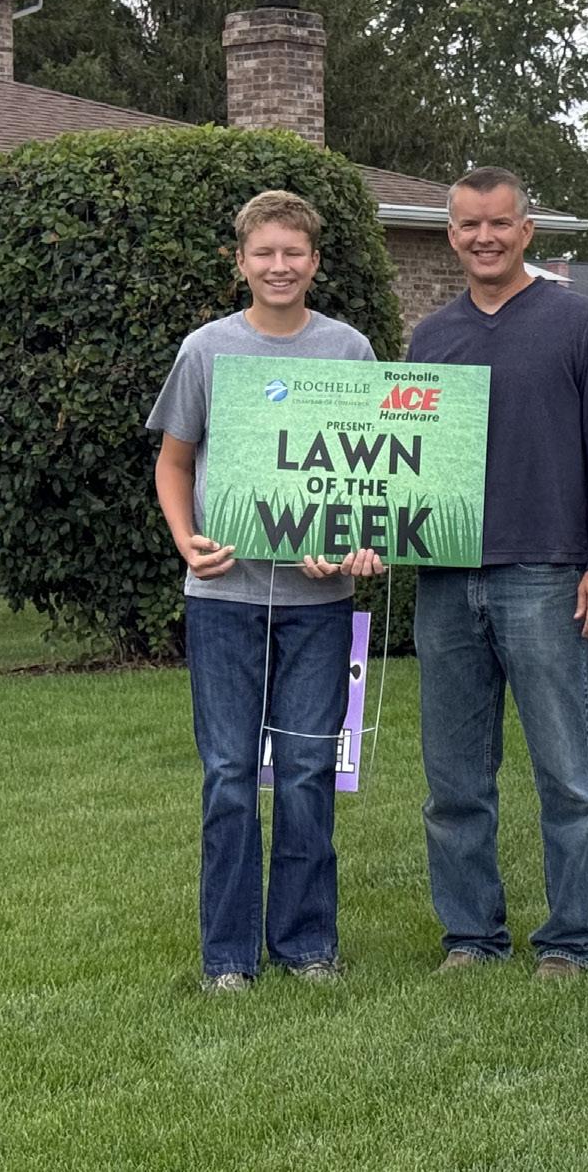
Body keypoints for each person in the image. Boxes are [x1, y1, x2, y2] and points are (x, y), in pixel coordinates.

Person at [148, 190, 383, 992]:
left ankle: (308, 946)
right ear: (241, 261)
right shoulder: (207, 350)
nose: (279, 266)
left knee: (310, 772)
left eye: (294, 253)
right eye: (264, 253)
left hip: (321, 607)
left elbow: (373, 473)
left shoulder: (349, 351)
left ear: (315, 261)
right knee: (229, 774)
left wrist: (358, 545)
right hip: (224, 598)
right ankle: (228, 958)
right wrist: (186, 538)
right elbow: (174, 461)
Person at [409, 166, 588, 979]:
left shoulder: (578, 323)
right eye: (469, 225)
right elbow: (406, 462)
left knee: (566, 773)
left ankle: (570, 940)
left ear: (526, 231)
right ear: (452, 235)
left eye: (500, 223)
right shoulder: (430, 338)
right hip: (445, 579)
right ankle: (471, 936)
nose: (485, 238)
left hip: (546, 573)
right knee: (454, 780)